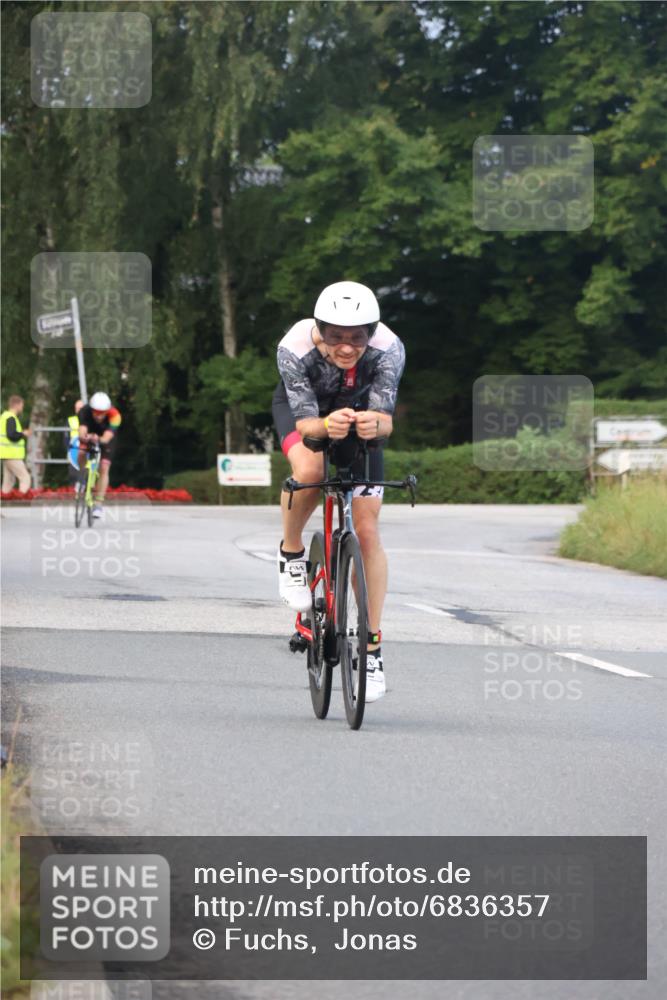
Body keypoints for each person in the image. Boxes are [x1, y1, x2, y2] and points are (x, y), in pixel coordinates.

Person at [273, 280, 405, 703]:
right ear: (320, 330)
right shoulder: (293, 348)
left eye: (357, 338)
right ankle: (291, 553)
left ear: (371, 331)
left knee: (366, 531)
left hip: (361, 413)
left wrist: (376, 424)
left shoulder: (390, 349)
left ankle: (371, 649)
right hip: (307, 411)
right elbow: (307, 423)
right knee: (310, 470)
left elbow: (386, 420)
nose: (347, 348)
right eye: (336, 338)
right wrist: (326, 426)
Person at [76, 392, 122, 518]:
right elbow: (82, 431)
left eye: (102, 413)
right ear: (91, 409)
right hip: (90, 432)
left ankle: (98, 503)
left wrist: (99, 439)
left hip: (106, 437)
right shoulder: (84, 411)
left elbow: (106, 438)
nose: (99, 416)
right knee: (80, 452)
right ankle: (83, 477)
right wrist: (86, 437)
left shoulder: (115, 415)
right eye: (96, 412)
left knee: (104, 467)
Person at [1, 395, 32, 493]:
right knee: (25, 478)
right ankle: (22, 501)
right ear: (17, 405)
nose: (22, 408)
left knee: (8, 482)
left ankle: (3, 504)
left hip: (6, 454)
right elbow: (11, 435)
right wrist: (23, 433)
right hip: (12, 455)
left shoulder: (4, 416)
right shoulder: (11, 418)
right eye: (21, 405)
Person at [64, 399, 84, 488]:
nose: (78, 410)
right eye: (77, 408)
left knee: (86, 475)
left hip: (86, 451)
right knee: (73, 475)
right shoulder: (70, 420)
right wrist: (68, 450)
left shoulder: (89, 421)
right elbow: (65, 437)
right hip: (73, 451)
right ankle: (73, 494)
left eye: (81, 408)